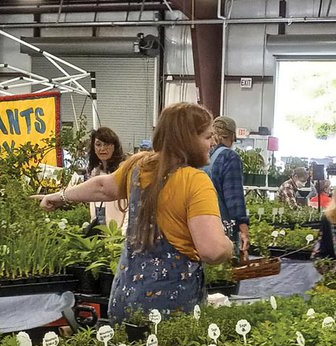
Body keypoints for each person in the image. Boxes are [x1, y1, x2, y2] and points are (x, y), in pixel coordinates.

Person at [36, 102, 232, 319]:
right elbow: (212, 250)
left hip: (125, 299)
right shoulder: (195, 181)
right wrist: (228, 245)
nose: (211, 143)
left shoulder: (139, 167)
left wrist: (59, 196)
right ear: (187, 139)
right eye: (206, 137)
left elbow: (103, 187)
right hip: (170, 309)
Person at [203, 115, 249, 256]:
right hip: (223, 228)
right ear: (232, 136)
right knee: (226, 272)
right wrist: (244, 231)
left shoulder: (203, 155)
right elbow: (234, 198)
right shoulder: (229, 157)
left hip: (201, 226)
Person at [84, 126, 127, 229]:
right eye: (98, 145)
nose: (102, 149)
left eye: (107, 144)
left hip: (117, 231)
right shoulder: (94, 172)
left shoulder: (123, 170)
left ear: (114, 147)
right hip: (98, 228)